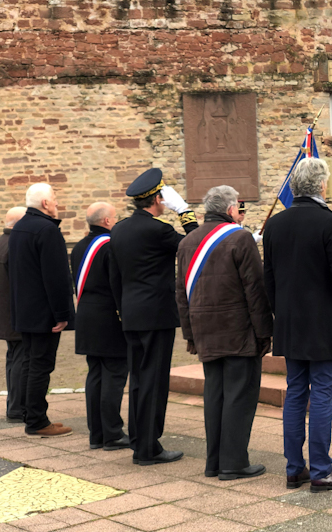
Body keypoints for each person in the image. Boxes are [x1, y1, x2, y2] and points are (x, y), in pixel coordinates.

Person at [263, 158, 332, 493]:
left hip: (289, 322)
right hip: (322, 323)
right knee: (321, 394)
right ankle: (320, 470)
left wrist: (280, 314)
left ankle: (294, 469)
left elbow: (268, 279)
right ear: (320, 186)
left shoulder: (274, 224)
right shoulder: (326, 222)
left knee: (294, 392)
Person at [176, 186, 273, 480]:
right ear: (231, 209)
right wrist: (264, 332)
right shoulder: (240, 237)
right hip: (238, 330)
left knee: (215, 396)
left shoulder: (188, 240)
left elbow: (181, 293)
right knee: (239, 397)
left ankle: (214, 462)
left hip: (205, 330)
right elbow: (255, 290)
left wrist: (189, 333)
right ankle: (234, 463)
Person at [109, 169, 198, 466]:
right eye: (164, 198)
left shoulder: (119, 229)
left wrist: (122, 308)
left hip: (131, 313)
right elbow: (195, 244)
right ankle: (148, 447)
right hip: (156, 314)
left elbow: (114, 275)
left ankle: (139, 438)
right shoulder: (157, 230)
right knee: (154, 380)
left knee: (138, 378)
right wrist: (184, 211)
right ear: (158, 199)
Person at [8, 184, 74, 437]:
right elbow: (56, 277)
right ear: (45, 203)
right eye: (55, 199)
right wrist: (62, 314)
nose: (57, 203)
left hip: (25, 309)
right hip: (43, 312)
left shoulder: (20, 227)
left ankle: (32, 414)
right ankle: (36, 421)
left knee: (30, 363)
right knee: (41, 366)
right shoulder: (47, 230)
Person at [71, 203, 129, 451]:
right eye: (115, 218)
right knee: (114, 375)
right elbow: (117, 284)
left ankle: (97, 433)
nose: (116, 222)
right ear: (106, 221)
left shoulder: (79, 247)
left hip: (86, 315)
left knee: (95, 376)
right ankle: (113, 434)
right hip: (108, 317)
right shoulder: (110, 245)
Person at [0, 207, 27, 423]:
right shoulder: (13, 245)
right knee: (20, 360)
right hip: (15, 314)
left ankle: (14, 406)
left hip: (5, 313)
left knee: (13, 359)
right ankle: (17, 408)